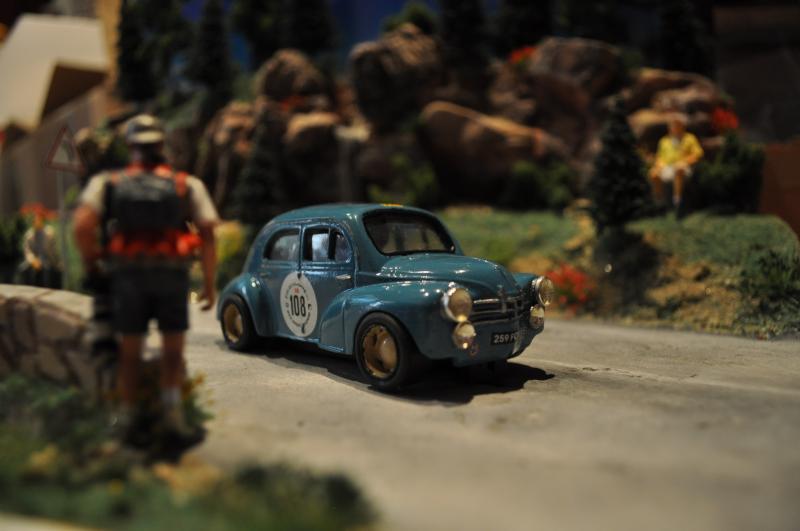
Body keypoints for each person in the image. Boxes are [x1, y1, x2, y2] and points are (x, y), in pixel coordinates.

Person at [73, 115, 219, 435]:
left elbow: (82, 226)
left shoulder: (109, 182)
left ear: (130, 146)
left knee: (130, 351)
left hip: (129, 276)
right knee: (172, 351)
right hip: (172, 275)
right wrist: (209, 284)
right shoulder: (186, 184)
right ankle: (172, 414)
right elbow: (208, 231)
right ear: (160, 144)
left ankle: (128, 414)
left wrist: (93, 265)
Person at [649, 116, 704, 208]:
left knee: (679, 169)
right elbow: (659, 157)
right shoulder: (664, 141)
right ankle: (659, 200)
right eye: (673, 125)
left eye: (677, 125)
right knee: (653, 173)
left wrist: (685, 161)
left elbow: (698, 154)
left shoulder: (689, 138)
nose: (674, 127)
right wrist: (659, 165)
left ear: (682, 126)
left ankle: (677, 200)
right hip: (667, 168)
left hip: (684, 167)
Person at [17, 204, 62, 288]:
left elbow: (53, 250)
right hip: (33, 260)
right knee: (23, 269)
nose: (37, 222)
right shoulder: (29, 235)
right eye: (35, 220)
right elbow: (27, 251)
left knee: (47, 270)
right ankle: (26, 289)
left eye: (39, 219)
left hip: (47, 258)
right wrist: (33, 260)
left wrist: (56, 263)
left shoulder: (49, 233)